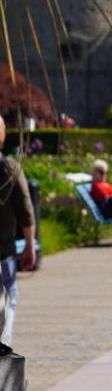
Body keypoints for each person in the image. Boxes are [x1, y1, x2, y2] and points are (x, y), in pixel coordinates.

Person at [0, 117, 35, 355]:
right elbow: (25, 208)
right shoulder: (9, 167)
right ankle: (4, 340)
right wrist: (30, 245)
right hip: (4, 247)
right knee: (9, 293)